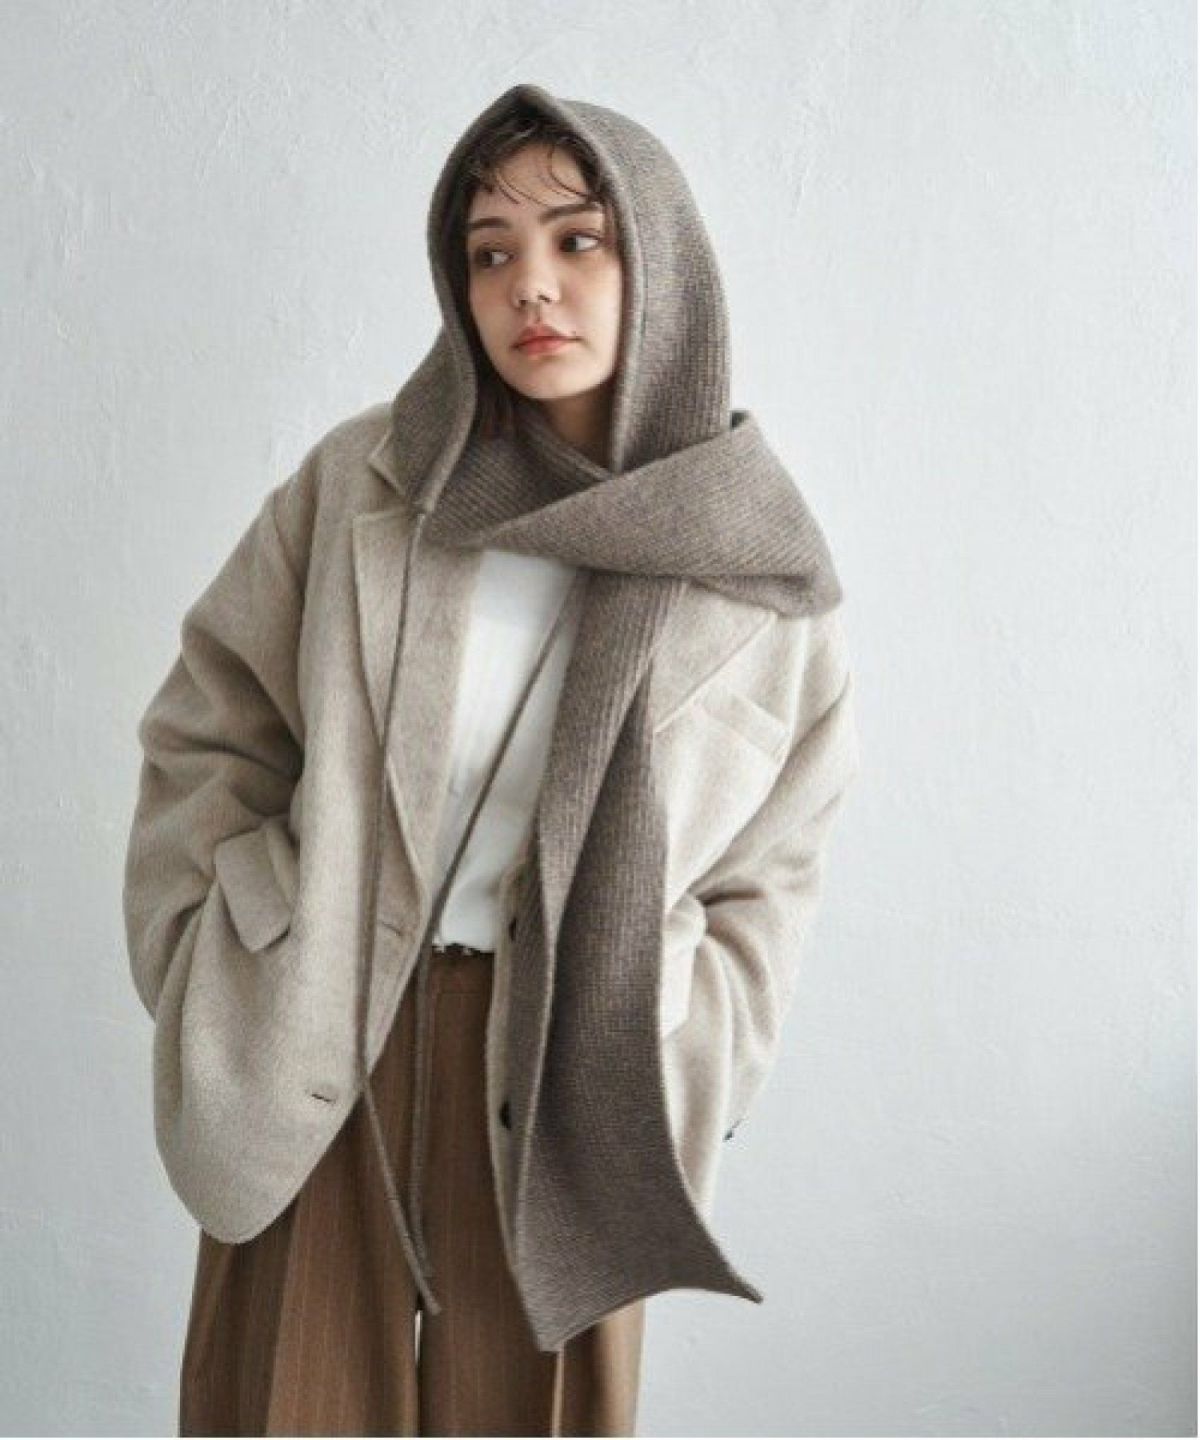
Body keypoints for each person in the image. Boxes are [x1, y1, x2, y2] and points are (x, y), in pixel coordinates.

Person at [122, 82, 861, 1437]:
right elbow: (207, 730)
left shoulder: (752, 568)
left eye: (580, 241)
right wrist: (212, 952)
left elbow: (775, 870)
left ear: (663, 263)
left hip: (575, 1070)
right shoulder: (370, 482)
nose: (532, 285)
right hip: (322, 1016)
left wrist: (693, 1043)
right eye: (489, 251)